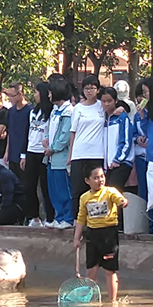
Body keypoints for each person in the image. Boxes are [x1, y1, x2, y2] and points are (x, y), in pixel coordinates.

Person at [73, 160, 128, 301]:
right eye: (96, 177)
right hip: (92, 235)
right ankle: (91, 300)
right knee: (91, 270)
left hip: (109, 235)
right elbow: (81, 218)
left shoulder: (110, 192)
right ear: (87, 180)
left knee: (110, 270)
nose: (100, 180)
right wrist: (76, 238)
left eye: (102, 176)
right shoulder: (84, 198)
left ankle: (112, 301)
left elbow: (119, 199)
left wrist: (123, 202)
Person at [68, 75, 104, 220]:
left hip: (97, 153)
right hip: (79, 153)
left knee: (97, 188)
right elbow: (73, 133)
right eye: (86, 88)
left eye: (92, 88)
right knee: (78, 189)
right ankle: (78, 220)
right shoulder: (77, 108)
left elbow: (120, 106)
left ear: (98, 89)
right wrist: (70, 155)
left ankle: (98, 220)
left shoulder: (102, 106)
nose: (89, 91)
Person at [133, 78, 153, 215]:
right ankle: (149, 223)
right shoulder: (142, 113)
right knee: (146, 190)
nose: (143, 97)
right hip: (147, 156)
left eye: (145, 92)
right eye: (140, 94)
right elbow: (144, 131)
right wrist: (142, 117)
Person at [45, 78, 74, 229]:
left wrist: (53, 148)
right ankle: (59, 216)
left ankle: (68, 218)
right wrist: (46, 140)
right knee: (54, 190)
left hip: (62, 158)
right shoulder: (54, 111)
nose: (48, 95)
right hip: (51, 159)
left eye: (50, 92)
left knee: (64, 190)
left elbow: (65, 136)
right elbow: (48, 129)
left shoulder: (69, 111)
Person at [24, 82, 54, 227]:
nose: (34, 95)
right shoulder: (33, 112)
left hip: (44, 153)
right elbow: (27, 133)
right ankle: (34, 217)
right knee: (29, 186)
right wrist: (23, 154)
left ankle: (50, 217)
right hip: (31, 151)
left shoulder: (52, 112)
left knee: (45, 186)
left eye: (36, 92)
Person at [101, 87, 135, 190]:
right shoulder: (102, 118)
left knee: (113, 194)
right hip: (107, 164)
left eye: (109, 101)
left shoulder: (122, 118)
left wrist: (118, 159)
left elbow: (126, 140)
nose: (106, 104)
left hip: (121, 162)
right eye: (103, 101)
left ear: (116, 101)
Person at [3, 82, 32, 179]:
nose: (10, 98)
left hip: (24, 154)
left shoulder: (30, 110)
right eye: (8, 95)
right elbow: (9, 132)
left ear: (20, 94)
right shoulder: (11, 111)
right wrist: (7, 152)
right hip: (12, 154)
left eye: (12, 95)